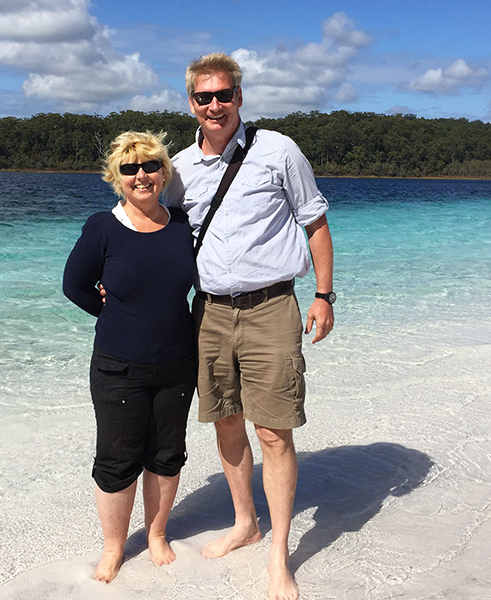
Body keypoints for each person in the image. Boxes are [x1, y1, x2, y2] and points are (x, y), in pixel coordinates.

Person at [163, 52, 335, 600]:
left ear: (239, 97)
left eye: (223, 95)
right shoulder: (179, 167)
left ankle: (280, 554)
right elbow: (155, 230)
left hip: (271, 307)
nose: (214, 105)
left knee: (273, 431)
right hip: (208, 311)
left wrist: (324, 295)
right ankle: (245, 522)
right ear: (190, 101)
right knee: (227, 423)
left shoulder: (278, 150)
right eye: (203, 96)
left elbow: (315, 222)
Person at [62, 130, 197, 583]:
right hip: (119, 364)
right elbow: (74, 286)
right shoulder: (103, 226)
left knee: (166, 454)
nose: (142, 175)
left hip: (178, 362)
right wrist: (111, 311)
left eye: (151, 166)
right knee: (117, 459)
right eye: (130, 168)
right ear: (116, 177)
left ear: (164, 172)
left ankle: (157, 534)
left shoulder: (182, 225)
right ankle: (114, 546)